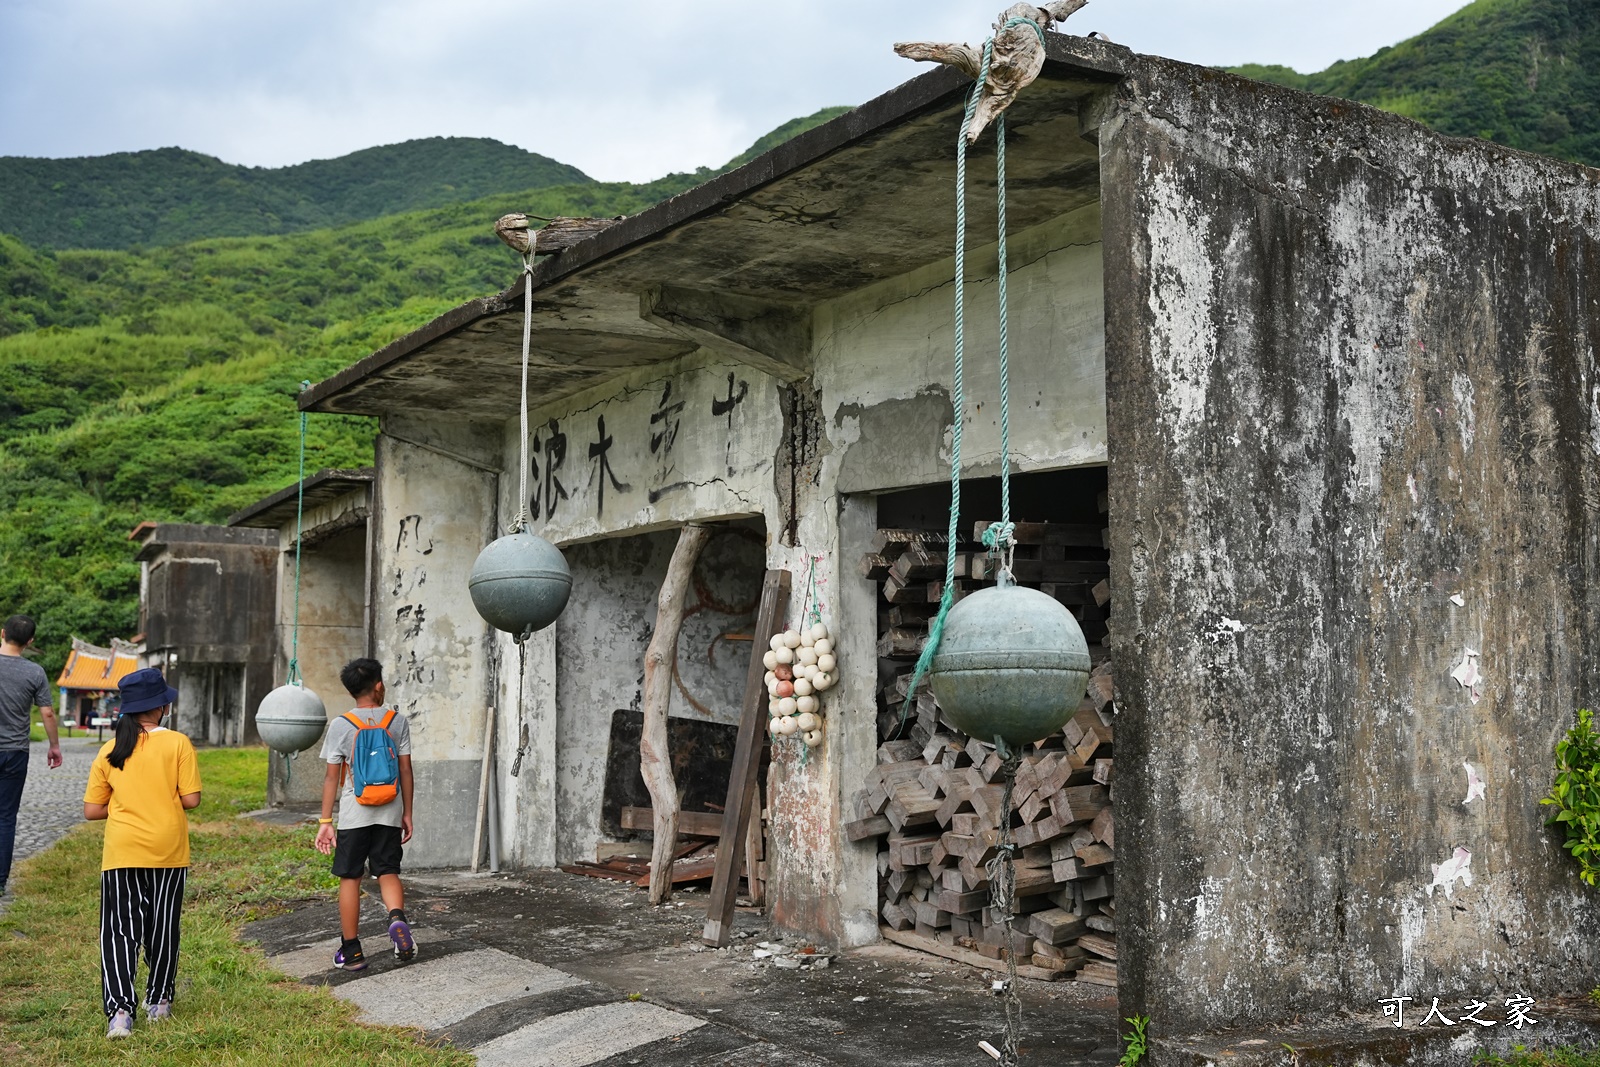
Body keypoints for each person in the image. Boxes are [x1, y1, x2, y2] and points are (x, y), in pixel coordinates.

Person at [82, 667, 200, 1040]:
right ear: (163, 706)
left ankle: (119, 1012)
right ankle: (159, 1001)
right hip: (168, 851)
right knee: (163, 927)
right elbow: (191, 800)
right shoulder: (178, 743)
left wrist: (123, 805)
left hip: (121, 851)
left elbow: (92, 810)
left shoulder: (110, 749)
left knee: (118, 931)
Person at [314, 658, 415, 971]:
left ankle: (352, 950)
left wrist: (326, 821)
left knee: (350, 876)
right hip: (389, 808)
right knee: (387, 870)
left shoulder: (342, 725)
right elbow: (406, 770)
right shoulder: (396, 721)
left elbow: (332, 776)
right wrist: (407, 812)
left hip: (355, 812)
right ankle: (396, 918)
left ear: (351, 691)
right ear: (379, 686)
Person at [0, 614, 62, 896]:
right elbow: (47, 712)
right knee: (5, 817)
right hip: (15, 751)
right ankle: (0, 882)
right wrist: (54, 746)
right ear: (30, 641)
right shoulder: (35, 672)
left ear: (2, 633)